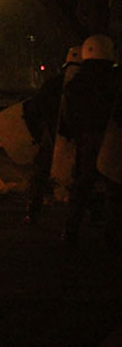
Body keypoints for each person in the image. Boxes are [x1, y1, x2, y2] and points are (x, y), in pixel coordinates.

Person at [60, 34, 120, 249]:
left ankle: (71, 230)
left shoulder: (77, 82)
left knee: (82, 186)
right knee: (114, 186)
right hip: (113, 138)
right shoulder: (115, 79)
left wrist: (76, 134)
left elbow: (67, 115)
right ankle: (111, 236)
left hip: (87, 139)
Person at [21, 45, 81, 225]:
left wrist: (41, 132)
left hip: (53, 136)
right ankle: (80, 219)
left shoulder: (53, 84)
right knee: (84, 178)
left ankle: (33, 211)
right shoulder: (98, 85)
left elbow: (34, 110)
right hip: (82, 140)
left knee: (41, 173)